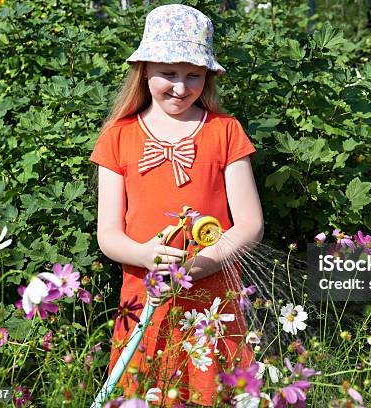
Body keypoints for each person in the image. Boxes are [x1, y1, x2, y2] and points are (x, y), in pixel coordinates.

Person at [89, 4, 264, 406]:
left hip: (213, 297)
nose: (181, 88)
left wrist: (198, 266)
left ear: (207, 77)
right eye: (169, 73)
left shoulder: (224, 131)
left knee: (213, 391)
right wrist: (147, 255)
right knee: (148, 387)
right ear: (145, 69)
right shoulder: (119, 136)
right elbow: (108, 234)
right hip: (145, 295)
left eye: (194, 76)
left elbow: (249, 224)